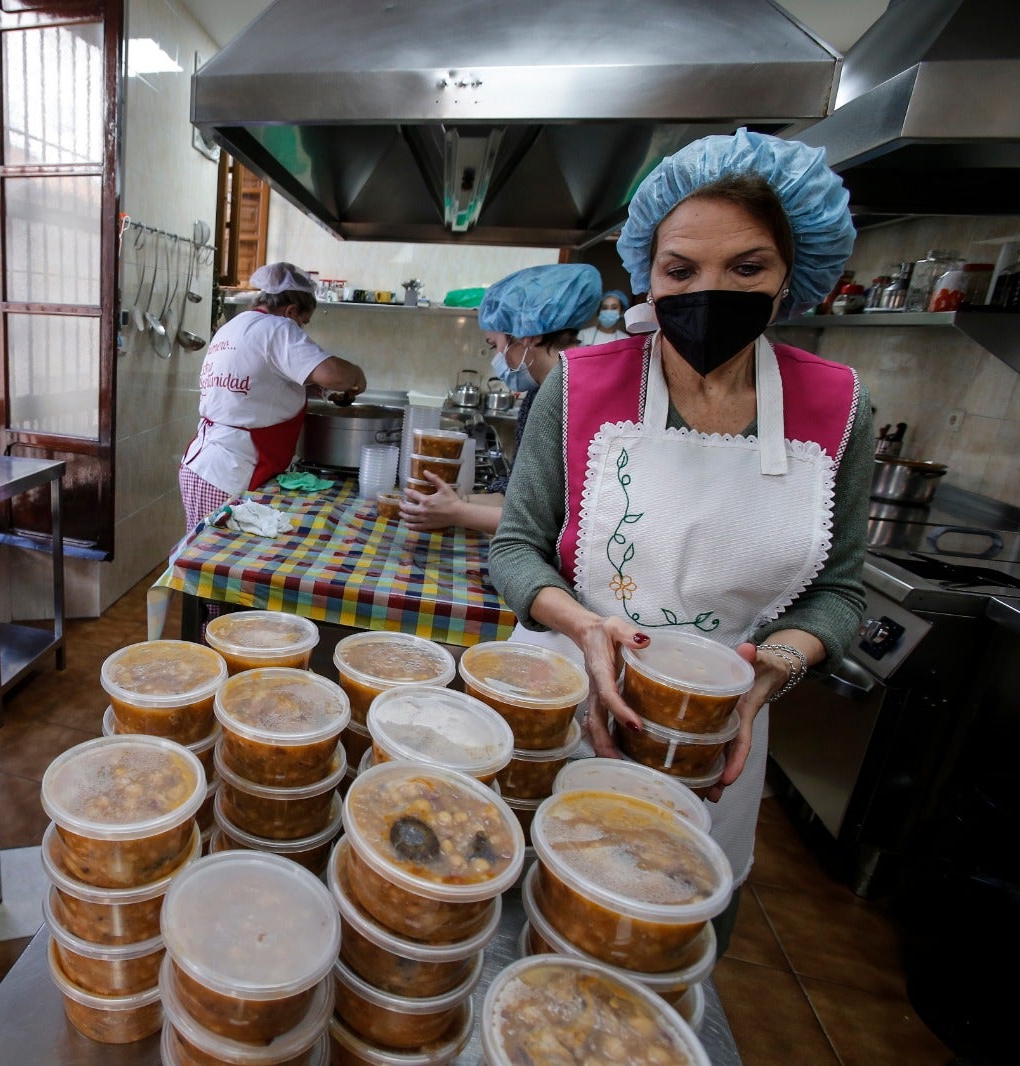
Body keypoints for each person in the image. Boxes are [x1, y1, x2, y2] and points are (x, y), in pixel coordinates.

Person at [488, 129, 871, 938]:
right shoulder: (582, 388)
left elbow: (840, 591)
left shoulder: (837, 408)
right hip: (566, 702)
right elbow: (516, 548)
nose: (710, 290)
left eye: (747, 267)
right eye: (681, 270)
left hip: (716, 732)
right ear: (648, 273)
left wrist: (773, 667)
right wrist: (585, 626)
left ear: (790, 275)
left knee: (663, 930)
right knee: (536, 921)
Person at [400, 263, 600, 535]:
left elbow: (558, 522)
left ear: (529, 335)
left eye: (495, 345)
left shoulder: (581, 394)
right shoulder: (541, 391)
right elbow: (518, 496)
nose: (498, 358)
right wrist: (454, 503)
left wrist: (458, 512)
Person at [178, 262, 366, 533]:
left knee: (201, 554)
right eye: (303, 321)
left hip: (202, 466)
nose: (301, 329)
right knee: (215, 562)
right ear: (290, 311)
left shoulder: (236, 326)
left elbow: (257, 388)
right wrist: (357, 375)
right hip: (230, 474)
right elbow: (332, 374)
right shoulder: (278, 327)